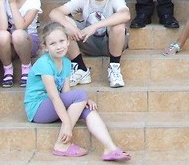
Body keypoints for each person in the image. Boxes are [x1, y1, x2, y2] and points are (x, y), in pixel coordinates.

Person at [24, 22, 132, 160]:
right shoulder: (44, 63)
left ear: (68, 41)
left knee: (87, 108)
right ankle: (61, 145)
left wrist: (83, 102)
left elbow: (66, 93)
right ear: (45, 47)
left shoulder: (66, 62)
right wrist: (67, 124)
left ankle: (110, 148)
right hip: (37, 109)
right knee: (81, 94)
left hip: (52, 106)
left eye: (62, 41)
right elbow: (55, 97)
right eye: (53, 43)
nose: (59, 46)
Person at [49, 0, 130, 88]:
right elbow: (54, 13)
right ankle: (80, 68)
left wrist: (95, 26)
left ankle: (114, 68)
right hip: (87, 41)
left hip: (110, 43)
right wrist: (70, 27)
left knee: (118, 25)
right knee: (63, 23)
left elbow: (126, 15)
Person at [0, 0, 41, 88]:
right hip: (10, 45)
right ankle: (7, 69)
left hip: (28, 42)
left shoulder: (34, 2)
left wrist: (12, 4)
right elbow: (2, 27)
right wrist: (1, 3)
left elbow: (21, 26)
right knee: (2, 35)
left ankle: (26, 67)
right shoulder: (3, 1)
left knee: (18, 34)